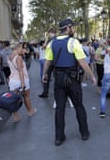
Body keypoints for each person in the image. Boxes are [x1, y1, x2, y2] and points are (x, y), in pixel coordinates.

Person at [42, 18, 96, 146]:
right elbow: (82, 62)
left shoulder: (51, 43)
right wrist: (92, 75)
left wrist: (44, 74)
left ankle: (59, 137)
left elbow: (47, 62)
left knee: (60, 109)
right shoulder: (73, 42)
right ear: (68, 28)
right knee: (79, 106)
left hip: (58, 80)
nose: (74, 29)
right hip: (73, 80)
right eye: (73, 27)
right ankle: (84, 133)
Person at [8, 43, 37, 122]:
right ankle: (30, 111)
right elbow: (20, 71)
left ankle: (16, 116)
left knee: (14, 99)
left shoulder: (10, 56)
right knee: (26, 96)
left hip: (12, 80)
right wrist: (22, 83)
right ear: (17, 48)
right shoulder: (19, 57)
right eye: (21, 48)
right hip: (21, 80)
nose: (23, 49)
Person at [38, 27, 57, 98]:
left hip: (49, 60)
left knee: (45, 76)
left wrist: (46, 40)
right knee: (57, 78)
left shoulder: (49, 40)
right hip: (56, 61)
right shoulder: (57, 39)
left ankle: (45, 92)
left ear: (50, 33)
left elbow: (43, 47)